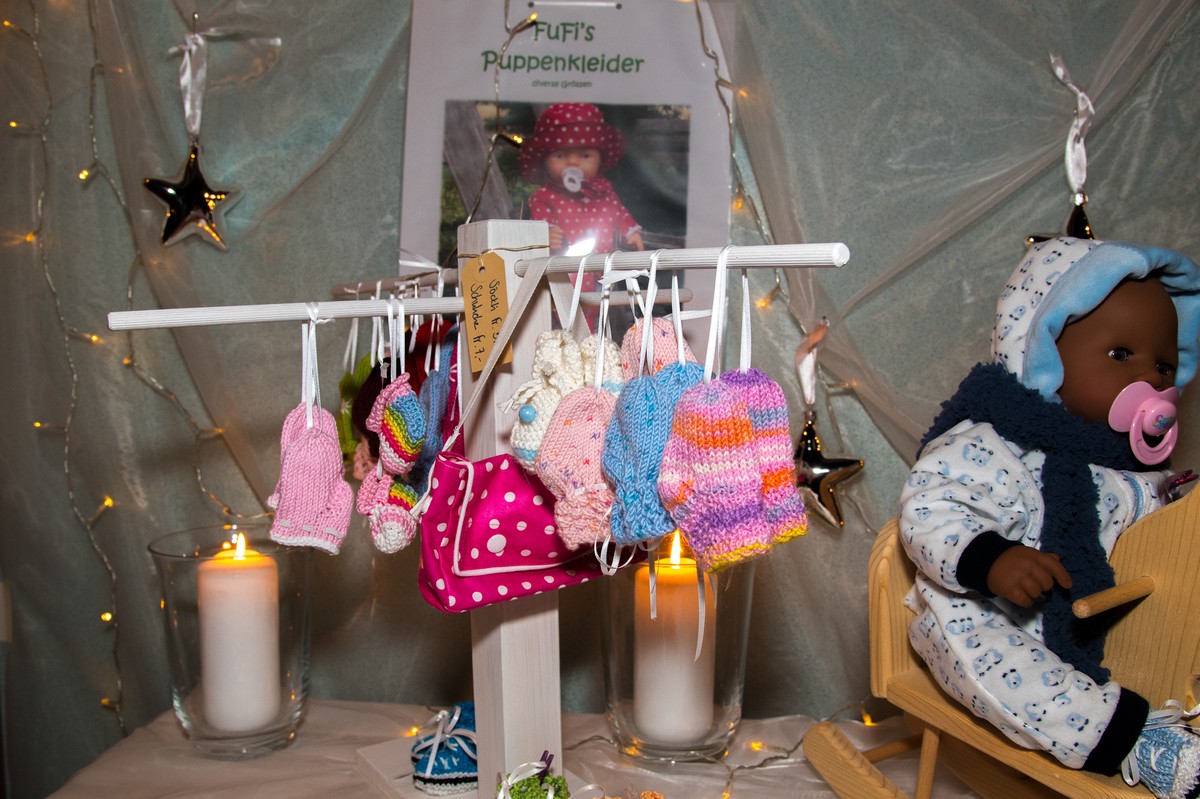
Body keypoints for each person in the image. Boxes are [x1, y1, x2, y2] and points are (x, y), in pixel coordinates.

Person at [899, 236, 1200, 798]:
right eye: (1121, 355)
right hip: (985, 607)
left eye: (1164, 365)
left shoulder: (1131, 469)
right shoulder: (995, 444)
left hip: (1101, 618)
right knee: (985, 650)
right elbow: (931, 505)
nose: (1154, 379)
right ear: (1043, 352)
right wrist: (991, 558)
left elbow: (1157, 521)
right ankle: (1133, 741)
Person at [518, 102, 645, 255]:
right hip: (564, 266)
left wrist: (630, 234)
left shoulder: (605, 192)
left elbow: (620, 214)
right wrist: (545, 236)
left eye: (585, 155)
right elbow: (538, 226)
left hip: (603, 264)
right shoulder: (543, 196)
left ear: (600, 160)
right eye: (560, 155)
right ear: (545, 161)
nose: (573, 162)